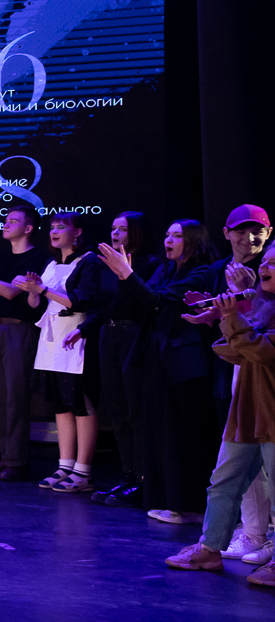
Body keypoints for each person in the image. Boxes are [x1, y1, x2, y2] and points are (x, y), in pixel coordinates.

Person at [163, 258, 275, 587]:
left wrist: (233, 318)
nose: (265, 266)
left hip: (272, 409)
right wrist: (225, 315)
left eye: (273, 262)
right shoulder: (262, 306)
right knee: (223, 481)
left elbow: (263, 351)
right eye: (265, 260)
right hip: (247, 409)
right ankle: (210, 549)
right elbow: (233, 350)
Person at [106, 218, 225, 524]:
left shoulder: (201, 271)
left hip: (186, 361)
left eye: (177, 236)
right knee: (159, 429)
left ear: (194, 240)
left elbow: (156, 298)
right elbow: (147, 301)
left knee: (184, 433)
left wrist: (126, 272)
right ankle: (169, 501)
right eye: (167, 235)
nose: (168, 241)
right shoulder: (166, 268)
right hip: (158, 355)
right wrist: (125, 276)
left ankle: (190, 506)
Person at [18, 213, 108, 492]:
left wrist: (43, 290)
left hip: (76, 338)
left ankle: (83, 471)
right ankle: (65, 465)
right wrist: (33, 292)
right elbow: (36, 305)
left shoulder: (89, 262)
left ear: (77, 232)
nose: (54, 231)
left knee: (81, 404)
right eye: (52, 227)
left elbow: (82, 301)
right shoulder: (51, 263)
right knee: (60, 403)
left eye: (61, 227)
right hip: (51, 340)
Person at [0, 205, 51, 477]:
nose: (5, 224)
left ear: (28, 228)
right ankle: (6, 456)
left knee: (16, 396)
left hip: (19, 329)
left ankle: (18, 461)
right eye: (6, 220)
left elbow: (10, 293)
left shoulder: (38, 258)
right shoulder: (1, 257)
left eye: (13, 221)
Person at [89, 212, 159, 504]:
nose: (115, 234)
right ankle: (127, 476)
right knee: (116, 411)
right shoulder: (105, 264)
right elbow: (102, 305)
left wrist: (126, 273)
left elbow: (148, 302)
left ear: (137, 233)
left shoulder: (150, 264)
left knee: (135, 411)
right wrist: (84, 328)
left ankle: (143, 479)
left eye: (122, 229)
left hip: (134, 335)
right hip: (109, 335)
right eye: (113, 229)